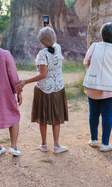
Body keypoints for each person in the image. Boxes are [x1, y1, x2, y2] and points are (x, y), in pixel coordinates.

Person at [16, 26, 69, 154]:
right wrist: (49, 29)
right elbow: (52, 41)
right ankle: (56, 146)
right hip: (58, 88)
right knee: (56, 117)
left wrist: (25, 82)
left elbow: (43, 75)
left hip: (44, 89)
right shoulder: (58, 48)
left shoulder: (42, 54)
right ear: (54, 39)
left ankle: (44, 144)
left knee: (43, 117)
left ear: (41, 42)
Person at [83, 22, 112, 152]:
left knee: (93, 113)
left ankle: (94, 140)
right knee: (107, 115)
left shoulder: (94, 46)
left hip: (92, 85)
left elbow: (86, 62)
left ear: (102, 34)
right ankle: (105, 143)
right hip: (110, 88)